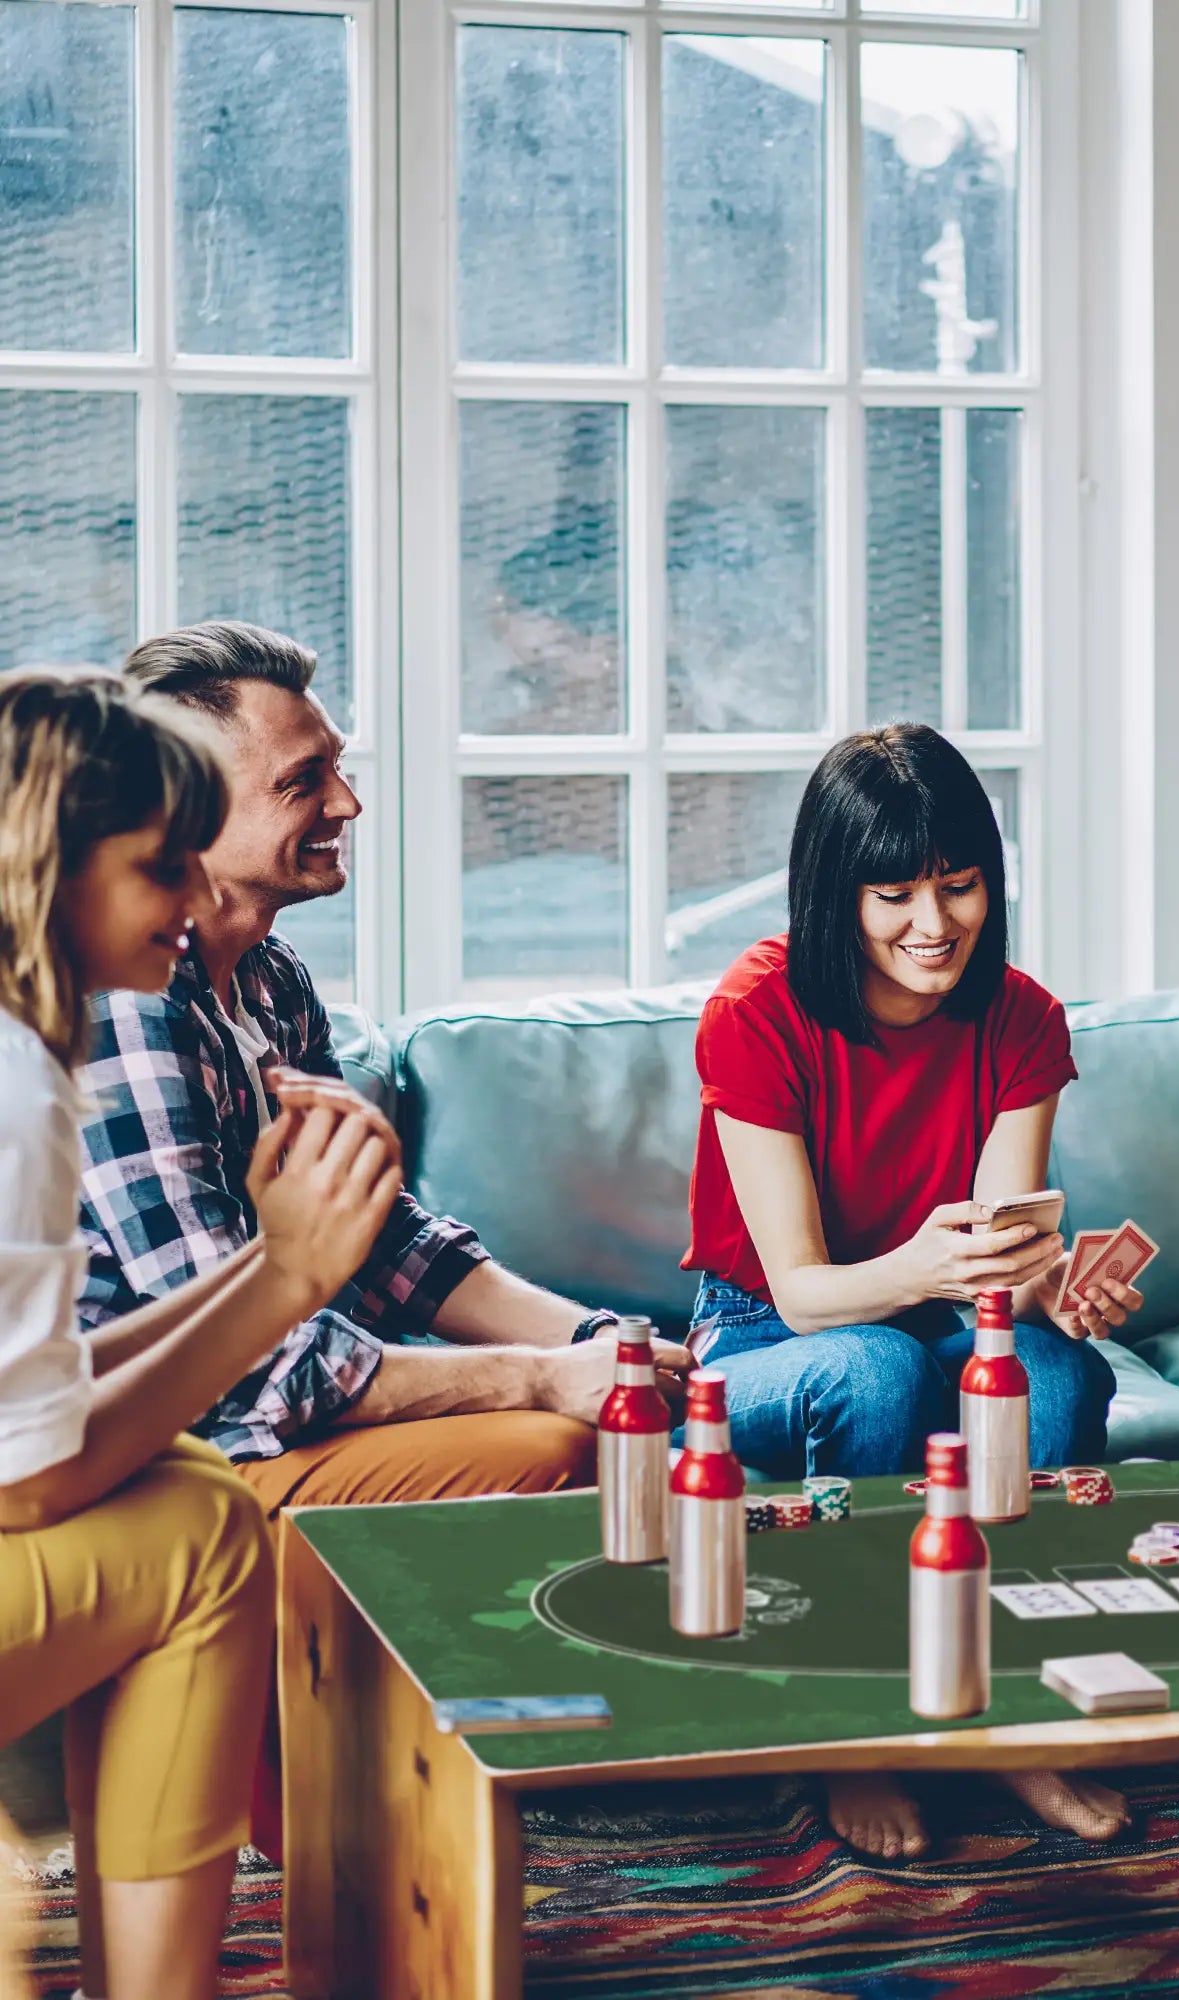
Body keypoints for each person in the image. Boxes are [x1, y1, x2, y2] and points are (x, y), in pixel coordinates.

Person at [74, 621, 689, 1519]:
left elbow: (382, 1241)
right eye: (302, 782)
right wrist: (541, 1378)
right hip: (163, 1448)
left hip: (270, 1404)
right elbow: (236, 1361)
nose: (348, 804)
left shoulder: (273, 980)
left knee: (608, 1409)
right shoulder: (127, 1005)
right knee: (558, 1442)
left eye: (337, 765)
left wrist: (603, 1340)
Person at [0, 670, 400, 2000]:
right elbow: (34, 1481)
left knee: (187, 1490)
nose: (189, 901)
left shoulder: (32, 1052)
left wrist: (288, 1270)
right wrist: (285, 1282)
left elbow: (41, 1392)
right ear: (47, 869)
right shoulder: (17, 1082)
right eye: (158, 867)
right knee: (206, 1530)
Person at [685, 721, 1137, 1860]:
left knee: (1057, 1372)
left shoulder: (1022, 1017)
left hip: (940, 1312)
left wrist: (1051, 1292)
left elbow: (997, 1258)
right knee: (872, 1367)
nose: (931, 925)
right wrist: (927, 1270)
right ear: (834, 893)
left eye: (958, 885)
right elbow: (796, 1292)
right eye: (891, 893)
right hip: (765, 1332)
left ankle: (1012, 1709)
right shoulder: (756, 1009)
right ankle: (858, 1722)